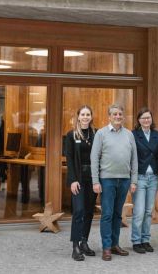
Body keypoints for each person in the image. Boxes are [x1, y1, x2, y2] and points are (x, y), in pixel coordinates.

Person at [91, 104, 138, 261]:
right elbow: (94, 158)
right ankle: (106, 247)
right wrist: (95, 181)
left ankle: (115, 244)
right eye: (115, 114)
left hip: (124, 180)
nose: (118, 116)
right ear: (109, 116)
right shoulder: (101, 133)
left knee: (118, 214)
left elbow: (134, 159)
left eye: (120, 114)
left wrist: (134, 180)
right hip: (107, 180)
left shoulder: (129, 134)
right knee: (107, 214)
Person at [64, 105, 97, 261]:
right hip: (78, 178)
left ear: (91, 117)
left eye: (88, 114)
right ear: (78, 116)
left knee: (90, 211)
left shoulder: (96, 134)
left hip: (92, 178)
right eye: (82, 114)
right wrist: (72, 180)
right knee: (79, 211)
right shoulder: (71, 135)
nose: (85, 117)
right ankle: (75, 246)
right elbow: (69, 160)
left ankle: (84, 241)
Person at [131, 107, 158, 254]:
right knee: (139, 211)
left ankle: (145, 240)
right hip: (140, 177)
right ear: (139, 120)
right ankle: (136, 241)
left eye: (148, 117)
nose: (146, 120)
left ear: (151, 119)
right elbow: (131, 157)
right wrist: (133, 180)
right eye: (143, 118)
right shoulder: (133, 134)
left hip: (153, 177)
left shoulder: (157, 135)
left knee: (149, 211)